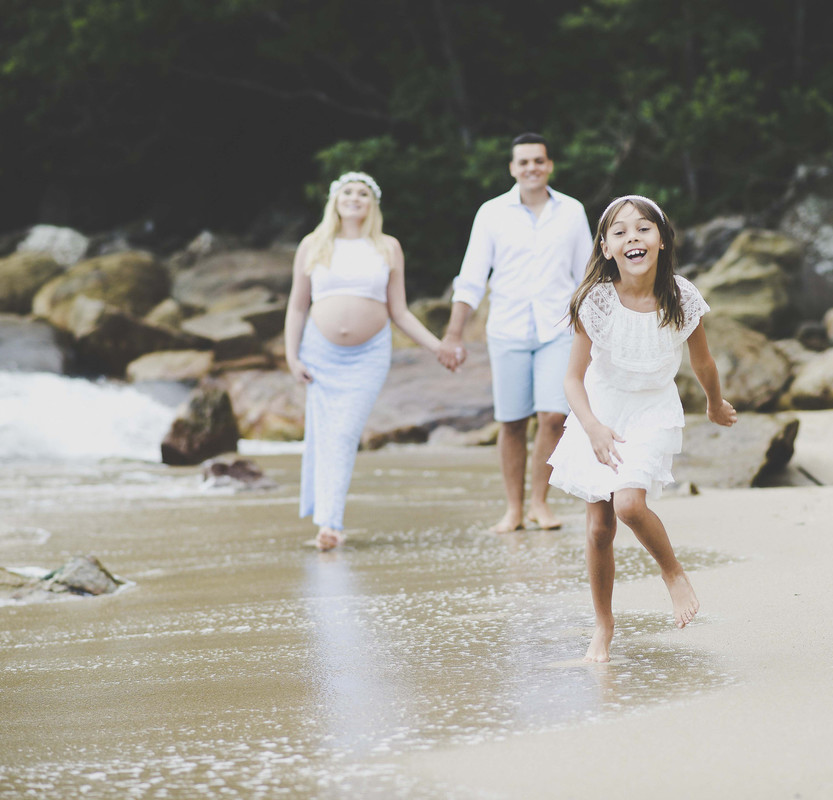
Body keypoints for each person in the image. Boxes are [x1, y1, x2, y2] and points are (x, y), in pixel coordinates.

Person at [546, 195, 739, 663]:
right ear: (606, 248)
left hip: (653, 409)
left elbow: (703, 362)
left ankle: (672, 573)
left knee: (629, 504)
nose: (633, 237)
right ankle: (604, 624)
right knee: (599, 528)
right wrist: (592, 426)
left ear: (662, 239)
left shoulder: (681, 296)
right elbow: (572, 379)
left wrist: (714, 403)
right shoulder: (595, 301)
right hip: (601, 411)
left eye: (643, 228)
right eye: (620, 232)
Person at [437, 133, 593, 534]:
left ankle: (540, 502)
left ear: (549, 165)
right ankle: (513, 510)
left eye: (538, 161)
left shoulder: (572, 211)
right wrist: (453, 335)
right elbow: (471, 279)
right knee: (511, 422)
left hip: (559, 328)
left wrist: (597, 334)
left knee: (554, 416)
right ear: (512, 168)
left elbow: (587, 276)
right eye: (523, 162)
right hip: (507, 329)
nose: (531, 168)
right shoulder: (491, 213)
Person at [285, 171, 443, 550]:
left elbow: (399, 311)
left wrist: (437, 347)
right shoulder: (313, 245)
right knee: (324, 434)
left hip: (368, 356)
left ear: (372, 204)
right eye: (347, 192)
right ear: (335, 200)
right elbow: (297, 306)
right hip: (320, 353)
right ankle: (329, 523)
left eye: (362, 193)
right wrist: (291, 356)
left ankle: (330, 522)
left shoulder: (387, 247)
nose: (354, 198)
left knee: (343, 433)